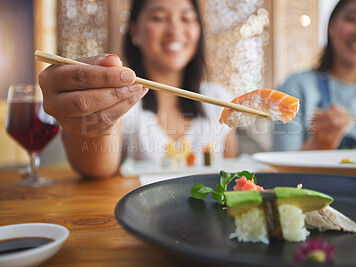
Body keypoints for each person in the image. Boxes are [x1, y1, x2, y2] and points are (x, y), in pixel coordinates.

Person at [38, 0, 238, 179]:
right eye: (158, 18)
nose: (174, 29)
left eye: (186, 18)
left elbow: (230, 174)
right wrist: (91, 122)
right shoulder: (120, 98)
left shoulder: (219, 100)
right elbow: (96, 170)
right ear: (134, 29)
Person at [273, 0, 356, 151]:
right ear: (331, 25)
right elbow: (282, 167)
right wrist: (319, 144)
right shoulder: (297, 87)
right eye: (351, 19)